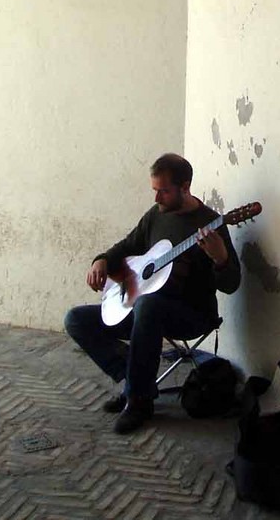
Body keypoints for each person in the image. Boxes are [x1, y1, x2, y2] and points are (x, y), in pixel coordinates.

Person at [64, 153, 240, 434]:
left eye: (164, 191)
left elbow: (231, 284)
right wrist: (101, 260)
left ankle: (139, 400)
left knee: (148, 305)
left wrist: (221, 259)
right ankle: (134, 381)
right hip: (145, 310)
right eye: (154, 191)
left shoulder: (211, 224)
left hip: (191, 315)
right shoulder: (157, 216)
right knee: (76, 319)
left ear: (185, 187)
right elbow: (126, 247)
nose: (157, 198)